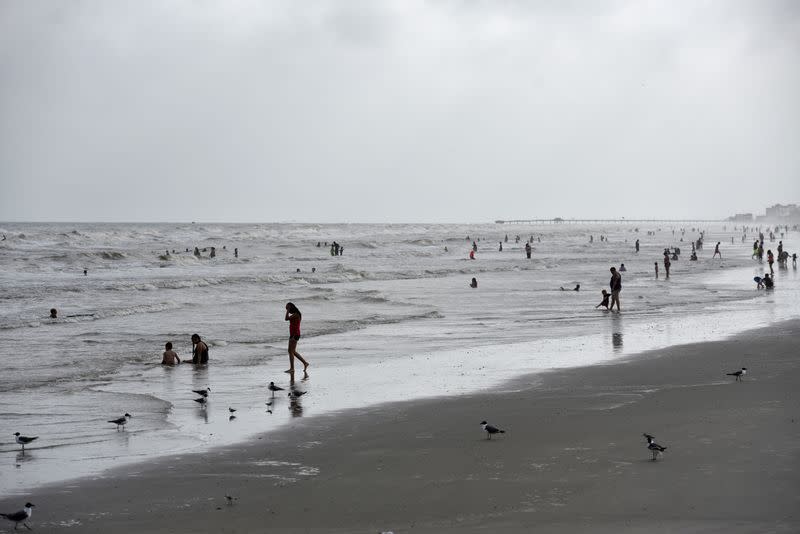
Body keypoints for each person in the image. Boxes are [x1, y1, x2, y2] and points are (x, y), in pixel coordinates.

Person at [285, 302, 309, 373]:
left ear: (291, 308)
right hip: (294, 334)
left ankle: (292, 368)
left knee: (291, 351)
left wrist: (288, 310)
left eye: (288, 308)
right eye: (286, 309)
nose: (287, 310)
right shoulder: (295, 314)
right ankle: (305, 363)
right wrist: (288, 309)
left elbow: (286, 318)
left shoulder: (296, 314)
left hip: (295, 334)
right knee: (292, 351)